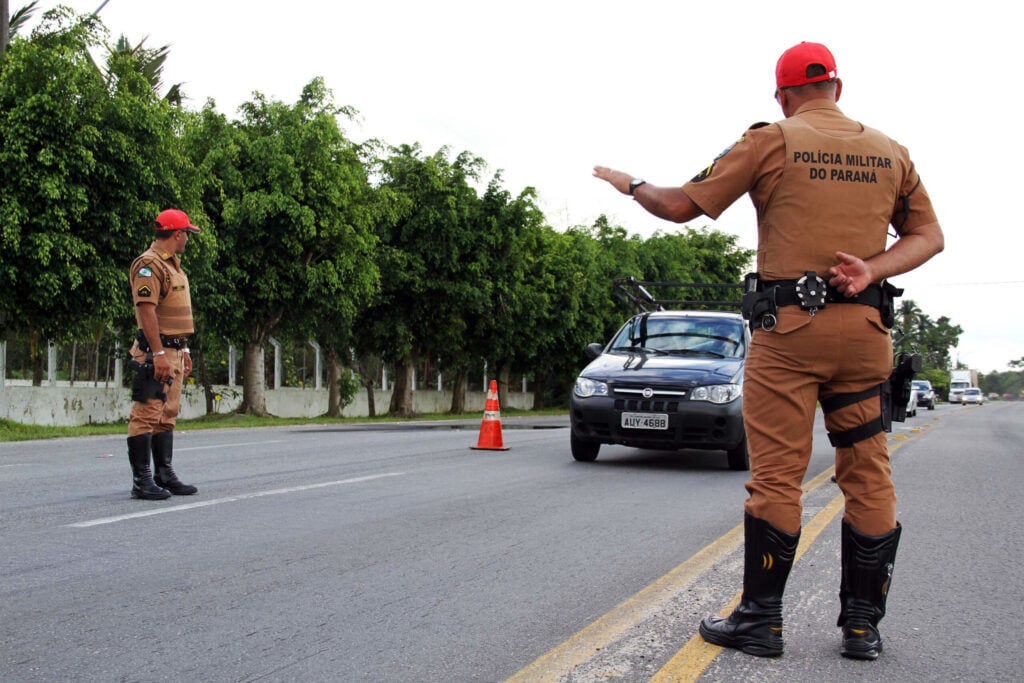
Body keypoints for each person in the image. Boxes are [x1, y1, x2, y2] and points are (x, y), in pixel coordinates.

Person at [593, 41, 943, 660]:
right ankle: (862, 627)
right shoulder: (893, 152)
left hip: (790, 336)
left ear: (782, 94)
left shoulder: (772, 138)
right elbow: (930, 236)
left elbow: (678, 206)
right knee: (867, 474)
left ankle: (761, 621)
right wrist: (871, 269)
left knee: (779, 476)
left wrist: (631, 184)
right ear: (839, 88)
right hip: (865, 335)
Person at [125, 208, 201, 500]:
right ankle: (142, 480)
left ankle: (163, 473)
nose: (188, 240)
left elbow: (171, 313)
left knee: (167, 415)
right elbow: (146, 310)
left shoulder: (173, 266)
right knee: (147, 413)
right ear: (178, 234)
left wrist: (184, 349)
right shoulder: (149, 264)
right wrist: (158, 353)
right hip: (156, 352)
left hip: (174, 350)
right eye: (187, 235)